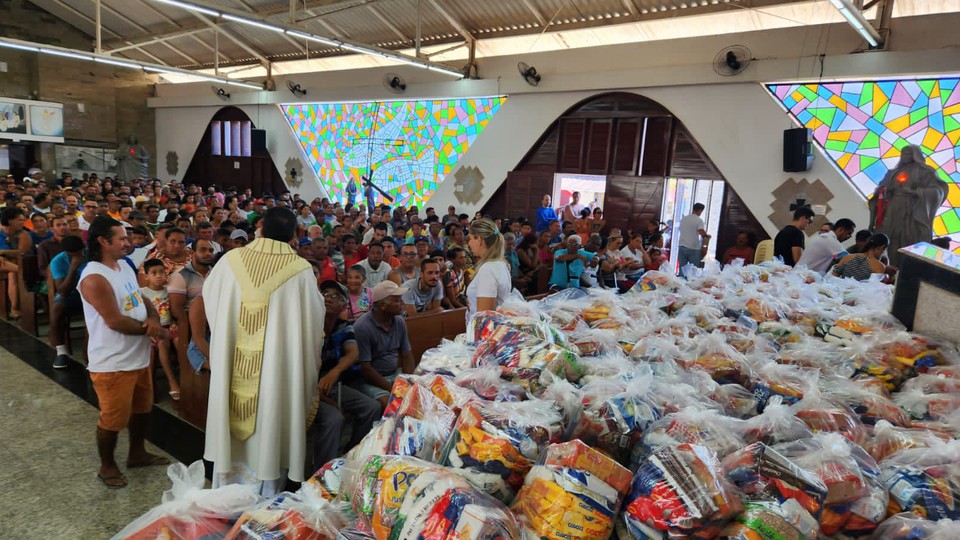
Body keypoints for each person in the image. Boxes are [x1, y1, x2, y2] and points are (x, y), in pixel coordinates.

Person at [202, 207, 324, 495]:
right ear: (295, 235)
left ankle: (225, 491)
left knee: (232, 441)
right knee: (272, 416)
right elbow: (313, 325)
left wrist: (229, 333)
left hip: (233, 364)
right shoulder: (301, 271)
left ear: (260, 229)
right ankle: (265, 499)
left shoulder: (231, 260)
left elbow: (210, 299)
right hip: (275, 372)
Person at [78, 217, 170, 489]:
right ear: (103, 241)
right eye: (121, 238)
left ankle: (137, 453)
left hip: (138, 356)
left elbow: (141, 298)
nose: (128, 242)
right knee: (113, 418)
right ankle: (107, 466)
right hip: (113, 361)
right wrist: (155, 331)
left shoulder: (124, 266)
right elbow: (115, 321)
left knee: (142, 408)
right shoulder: (94, 277)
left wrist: (153, 317)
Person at [311, 280, 382, 468]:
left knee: (372, 407)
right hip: (307, 387)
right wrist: (327, 399)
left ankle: (351, 454)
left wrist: (334, 372)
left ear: (344, 304)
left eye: (336, 296)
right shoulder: (309, 326)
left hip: (332, 384)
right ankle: (322, 471)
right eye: (325, 294)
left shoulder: (343, 326)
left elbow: (354, 352)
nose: (328, 299)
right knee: (335, 418)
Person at [868, 145, 949, 266]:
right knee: (888, 235)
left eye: (908, 154)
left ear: (915, 155)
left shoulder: (925, 171)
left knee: (907, 238)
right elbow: (880, 190)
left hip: (912, 211)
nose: (905, 157)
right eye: (903, 154)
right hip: (892, 209)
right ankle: (880, 264)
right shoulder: (893, 173)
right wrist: (887, 190)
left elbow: (937, 191)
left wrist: (915, 192)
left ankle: (901, 267)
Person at [353, 281, 414, 408]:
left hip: (395, 374)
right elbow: (366, 369)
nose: (402, 303)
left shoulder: (399, 322)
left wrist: (409, 380)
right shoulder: (363, 327)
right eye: (396, 300)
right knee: (394, 406)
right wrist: (392, 388)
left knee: (416, 397)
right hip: (371, 381)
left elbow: (406, 354)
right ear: (382, 305)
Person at [140, 259, 179, 400]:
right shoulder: (142, 293)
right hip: (155, 330)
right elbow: (140, 315)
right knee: (162, 344)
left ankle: (186, 373)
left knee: (179, 340)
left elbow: (175, 310)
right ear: (146, 276)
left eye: (162, 272)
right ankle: (172, 381)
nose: (159, 276)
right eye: (154, 273)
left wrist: (175, 322)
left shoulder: (169, 291)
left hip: (169, 327)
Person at [48, 235, 87, 369]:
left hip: (91, 292)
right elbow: (62, 291)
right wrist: (73, 268)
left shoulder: (92, 255)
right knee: (57, 308)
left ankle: (89, 351)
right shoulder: (58, 261)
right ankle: (61, 351)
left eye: (81, 252)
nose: (79, 255)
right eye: (74, 254)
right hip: (72, 295)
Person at [465, 218, 512, 318]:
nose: (469, 244)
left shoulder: (488, 269)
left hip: (483, 331)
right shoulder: (500, 263)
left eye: (470, 238)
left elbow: (485, 316)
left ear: (479, 239)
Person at [0, 206, 31, 319]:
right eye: (19, 219)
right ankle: (14, 309)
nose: (22, 222)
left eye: (23, 219)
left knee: (13, 274)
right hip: (6, 263)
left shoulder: (24, 234)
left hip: (12, 263)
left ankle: (14, 308)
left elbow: (22, 252)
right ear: (10, 220)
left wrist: (3, 252)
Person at [677, 203, 710, 276]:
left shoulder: (684, 218)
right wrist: (706, 236)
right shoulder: (699, 220)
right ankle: (691, 284)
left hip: (681, 246)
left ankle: (681, 283)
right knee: (693, 270)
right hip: (693, 248)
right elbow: (701, 231)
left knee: (682, 269)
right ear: (700, 210)